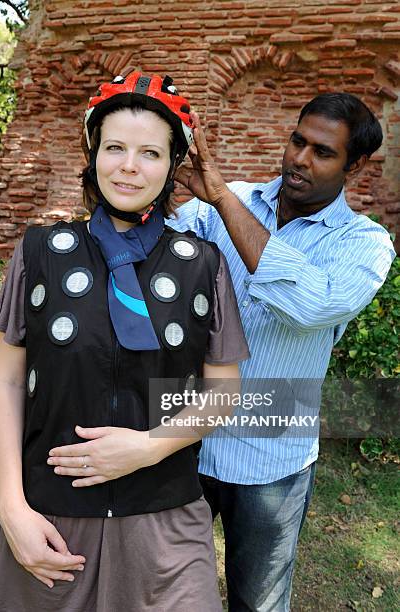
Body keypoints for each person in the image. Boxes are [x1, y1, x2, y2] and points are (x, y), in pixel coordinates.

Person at [0, 71, 249, 612]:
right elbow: (9, 378)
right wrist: (12, 507)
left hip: (166, 524)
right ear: (93, 152)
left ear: (173, 165)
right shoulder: (39, 253)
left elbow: (225, 391)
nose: (129, 166)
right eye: (115, 148)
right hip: (51, 520)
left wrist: (146, 447)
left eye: (150, 152)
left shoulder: (203, 265)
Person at [166, 93, 396, 611]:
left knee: (258, 603)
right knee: (166, 590)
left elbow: (308, 305)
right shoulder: (226, 199)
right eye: (298, 140)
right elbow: (157, 257)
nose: (300, 158)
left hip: (272, 456)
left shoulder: (365, 243)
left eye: (322, 151)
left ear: (354, 166)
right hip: (185, 435)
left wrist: (224, 200)